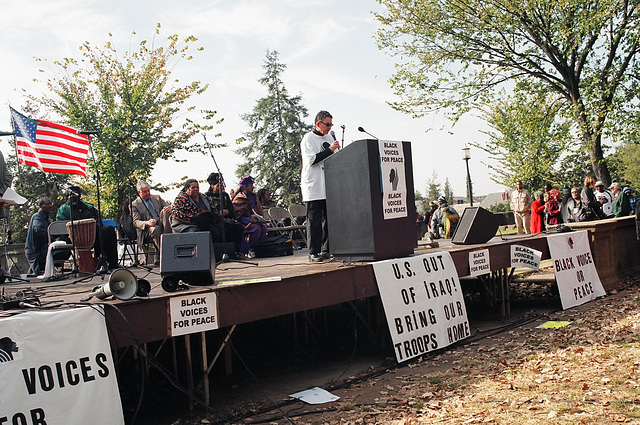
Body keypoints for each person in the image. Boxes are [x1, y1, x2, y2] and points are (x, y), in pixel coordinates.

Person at [300, 110, 340, 262]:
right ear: (318, 124)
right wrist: (330, 149)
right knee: (314, 220)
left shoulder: (329, 137)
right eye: (327, 124)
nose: (330, 128)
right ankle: (313, 252)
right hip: (314, 185)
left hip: (329, 184)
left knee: (329, 220)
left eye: (331, 124)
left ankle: (326, 249)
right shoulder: (308, 139)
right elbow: (312, 159)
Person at [56, 186, 119, 270]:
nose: (72, 196)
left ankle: (111, 263)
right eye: (70, 194)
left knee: (109, 230)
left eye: (75, 194)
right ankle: (91, 264)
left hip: (91, 237)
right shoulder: (63, 209)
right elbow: (61, 226)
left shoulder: (88, 208)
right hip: (72, 238)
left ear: (79, 196)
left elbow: (98, 221)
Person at [131, 180, 172, 265]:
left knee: (165, 212)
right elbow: (136, 222)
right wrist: (147, 223)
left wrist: (169, 208)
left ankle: (167, 245)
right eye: (145, 192)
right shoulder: (134, 204)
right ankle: (165, 252)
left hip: (162, 225)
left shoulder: (157, 198)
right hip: (147, 230)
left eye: (148, 190)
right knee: (155, 229)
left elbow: (167, 206)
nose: (147, 193)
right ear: (139, 192)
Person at [206, 172, 244, 254]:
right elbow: (208, 211)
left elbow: (231, 211)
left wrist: (227, 212)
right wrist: (218, 213)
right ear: (212, 186)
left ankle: (236, 251)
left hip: (226, 220)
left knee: (238, 227)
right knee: (218, 231)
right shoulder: (207, 196)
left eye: (222, 185)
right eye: (218, 185)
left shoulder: (225, 196)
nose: (221, 187)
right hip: (214, 221)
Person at [233, 176, 268, 259]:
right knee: (256, 229)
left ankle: (258, 248)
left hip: (256, 220)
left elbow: (258, 210)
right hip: (244, 222)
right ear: (245, 187)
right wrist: (250, 219)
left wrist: (259, 218)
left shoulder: (254, 197)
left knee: (264, 227)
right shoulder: (239, 198)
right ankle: (250, 248)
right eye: (251, 185)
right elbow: (237, 215)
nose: (253, 187)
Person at [24, 198, 52, 276]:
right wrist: (50, 236)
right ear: (40, 206)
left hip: (40, 250)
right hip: (35, 252)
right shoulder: (37, 217)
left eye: (50, 204)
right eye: (47, 204)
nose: (50, 206)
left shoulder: (46, 218)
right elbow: (38, 229)